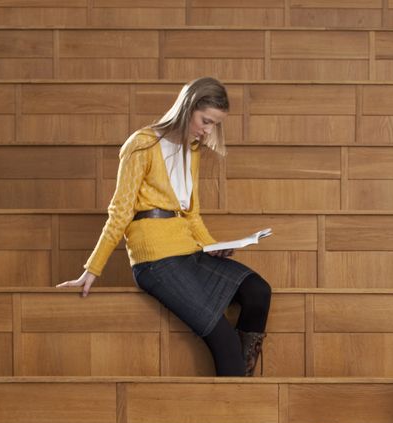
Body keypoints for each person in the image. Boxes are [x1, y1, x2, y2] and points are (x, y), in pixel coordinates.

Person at [56, 77, 272, 377]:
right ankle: (237, 404)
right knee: (223, 339)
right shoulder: (142, 144)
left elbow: (192, 213)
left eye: (214, 125)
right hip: (156, 261)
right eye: (205, 121)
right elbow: (120, 212)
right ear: (188, 108)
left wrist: (213, 246)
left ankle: (242, 377)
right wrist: (92, 270)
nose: (208, 131)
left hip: (189, 252)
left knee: (257, 291)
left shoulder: (192, 151)